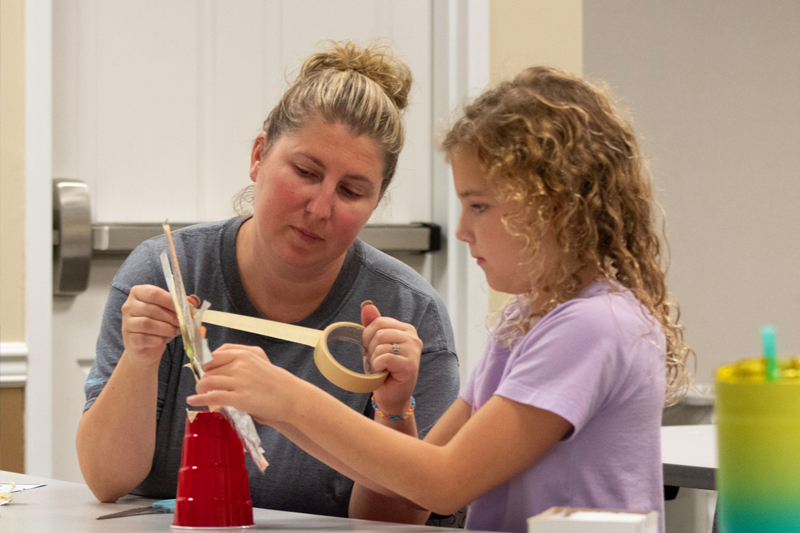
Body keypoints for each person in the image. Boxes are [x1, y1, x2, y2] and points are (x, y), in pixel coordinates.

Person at [186, 66, 694, 533]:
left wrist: (289, 397)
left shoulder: (593, 325)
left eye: (479, 206)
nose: (462, 230)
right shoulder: (525, 321)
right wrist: (320, 409)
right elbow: (410, 494)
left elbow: (445, 482)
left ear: (553, 208)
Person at [76, 40, 460, 524]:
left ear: (376, 201)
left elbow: (391, 522)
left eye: (351, 191)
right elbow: (108, 482)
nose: (320, 208)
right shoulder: (165, 270)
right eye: (304, 171)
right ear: (259, 156)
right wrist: (140, 357)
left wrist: (393, 409)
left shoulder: (407, 311)